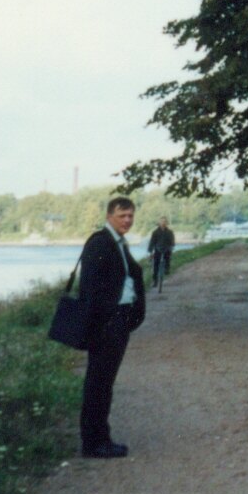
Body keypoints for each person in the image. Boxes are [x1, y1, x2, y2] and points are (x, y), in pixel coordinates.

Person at [77, 196, 146, 458]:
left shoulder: (118, 242)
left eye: (130, 216)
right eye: (122, 216)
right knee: (99, 383)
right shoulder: (100, 243)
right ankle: (95, 443)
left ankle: (98, 438)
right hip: (106, 324)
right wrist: (102, 323)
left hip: (118, 321)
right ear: (109, 216)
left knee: (104, 382)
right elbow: (90, 288)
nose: (127, 220)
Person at [147, 218, 175, 289]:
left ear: (166, 223)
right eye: (162, 222)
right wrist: (150, 250)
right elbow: (152, 242)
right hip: (158, 249)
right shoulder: (155, 232)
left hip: (166, 248)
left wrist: (172, 246)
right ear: (159, 223)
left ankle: (167, 268)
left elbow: (172, 241)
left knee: (168, 257)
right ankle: (155, 281)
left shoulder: (169, 232)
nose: (163, 223)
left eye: (164, 222)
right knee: (155, 265)